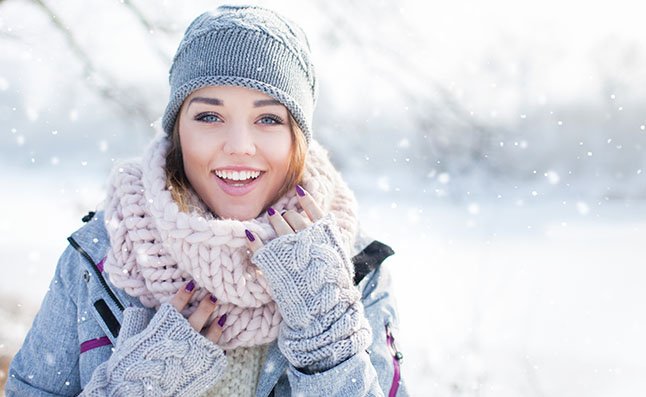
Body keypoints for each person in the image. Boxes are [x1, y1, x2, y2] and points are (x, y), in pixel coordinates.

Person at [5, 5, 407, 396]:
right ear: (178, 130)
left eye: (268, 119)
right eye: (209, 117)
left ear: (296, 138)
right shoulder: (101, 256)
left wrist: (326, 335)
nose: (239, 146)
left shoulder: (352, 269)